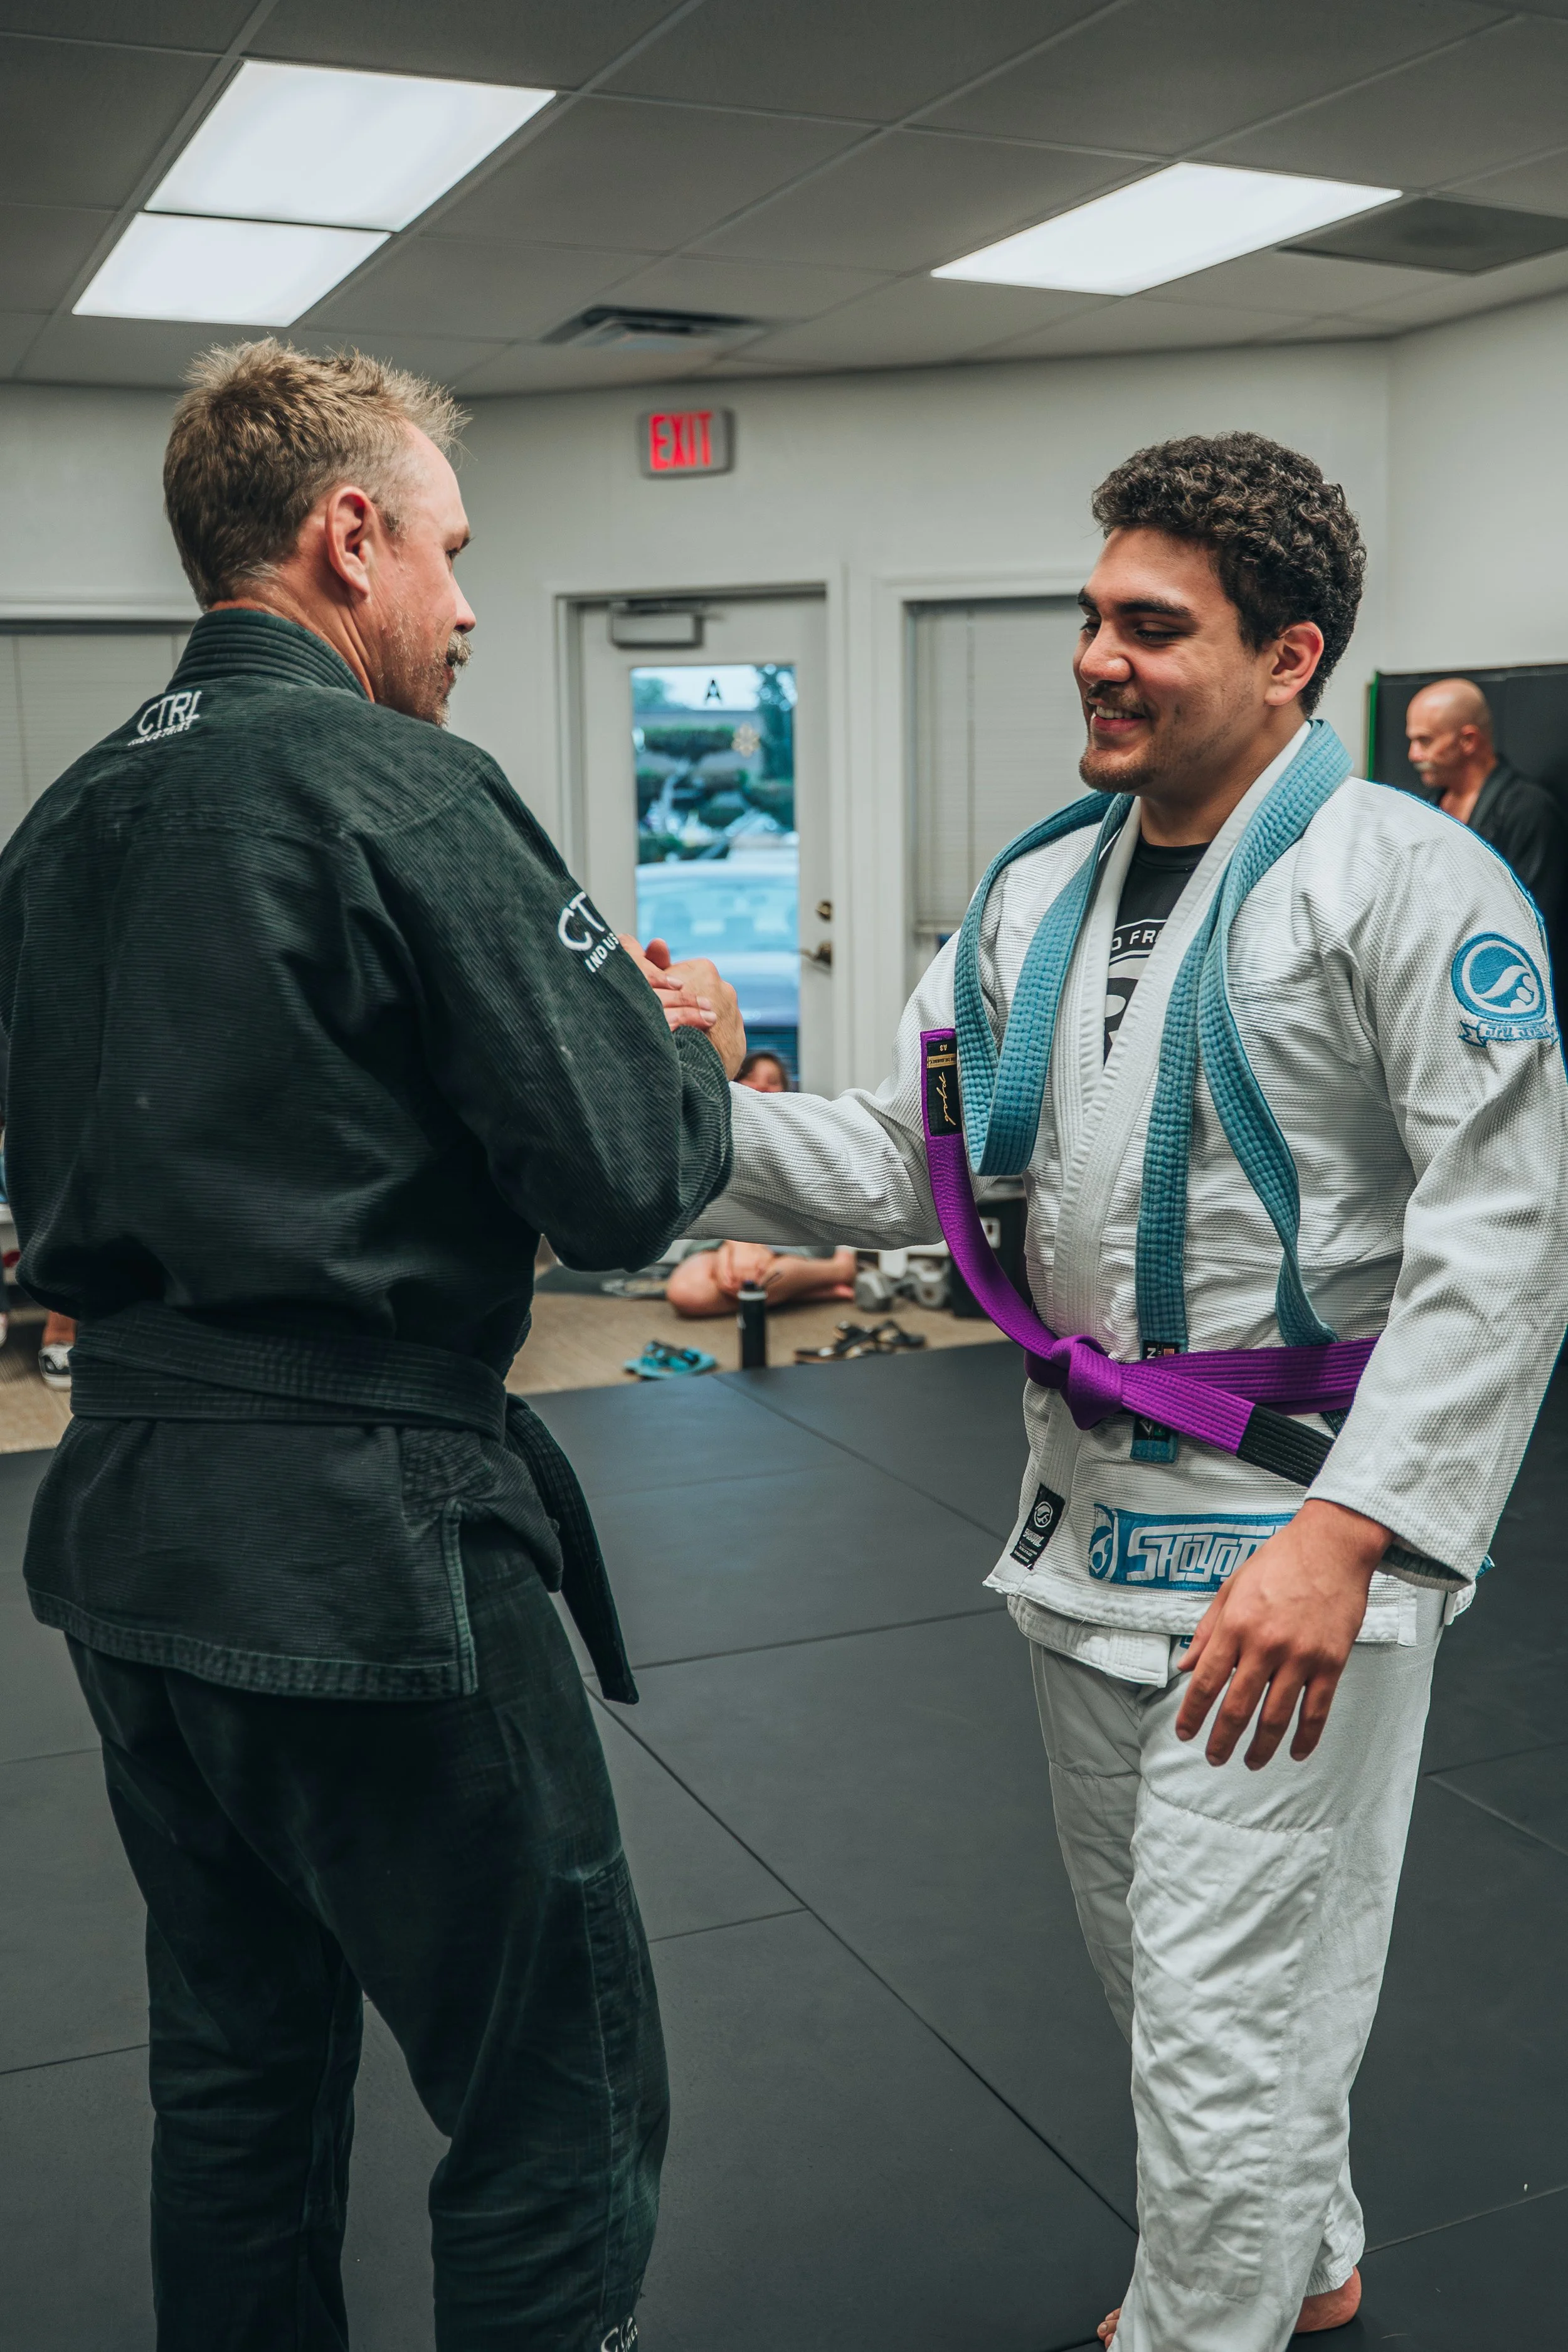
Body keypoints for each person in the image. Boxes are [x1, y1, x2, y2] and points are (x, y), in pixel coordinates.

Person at [649, 433, 1568, 2352]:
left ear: (1289, 655)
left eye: (1149, 625)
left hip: (1295, 1525)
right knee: (1172, 1981)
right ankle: (1299, 2248)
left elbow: (1503, 1232)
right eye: (1091, 616)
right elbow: (900, 1160)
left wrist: (1347, 1532)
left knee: (1218, 1997)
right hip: (1084, 1522)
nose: (1095, 653)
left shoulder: (1408, 880)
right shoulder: (1029, 899)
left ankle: (1191, 2320)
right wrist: (667, 1113)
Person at [0, 339, 743, 2351]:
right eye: (451, 547)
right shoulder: (395, 781)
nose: (469, 599)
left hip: (126, 1534)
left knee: (236, 2076)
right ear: (349, 535)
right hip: (363, 1542)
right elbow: (610, 1181)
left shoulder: (61, 824)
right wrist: (696, 1062)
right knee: (555, 2094)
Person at [665, 1049, 857, 1316]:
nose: (761, 1087)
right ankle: (815, 1287)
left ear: (785, 1092)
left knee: (763, 1278)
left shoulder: (799, 1138)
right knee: (686, 1291)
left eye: (772, 1081)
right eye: (752, 1077)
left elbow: (801, 1207)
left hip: (785, 1241)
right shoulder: (710, 1131)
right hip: (719, 1239)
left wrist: (756, 1248)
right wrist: (737, 1246)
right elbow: (708, 1203)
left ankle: (837, 1270)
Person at [1404, 677, 1568, 980]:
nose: (1414, 755)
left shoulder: (1527, 810)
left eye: (1425, 741)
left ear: (1468, 740)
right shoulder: (1425, 809)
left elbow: (1533, 920)